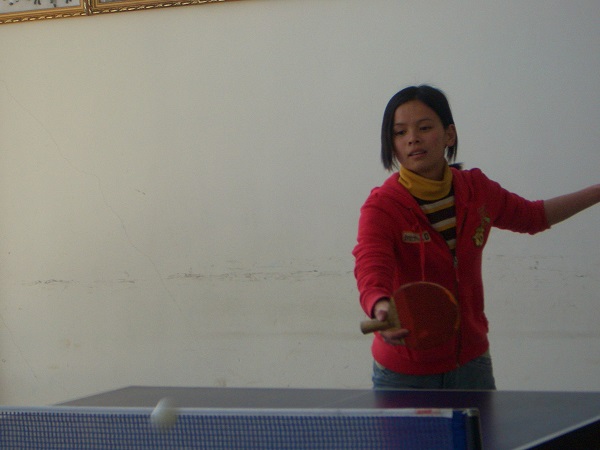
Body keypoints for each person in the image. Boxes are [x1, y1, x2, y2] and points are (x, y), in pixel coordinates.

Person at [353, 85, 600, 390]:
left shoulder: (477, 190)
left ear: (449, 134)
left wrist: (596, 192)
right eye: (400, 132)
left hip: (472, 364)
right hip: (404, 374)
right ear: (391, 144)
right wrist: (380, 305)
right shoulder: (383, 207)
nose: (412, 138)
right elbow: (370, 265)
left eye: (425, 127)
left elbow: (534, 216)